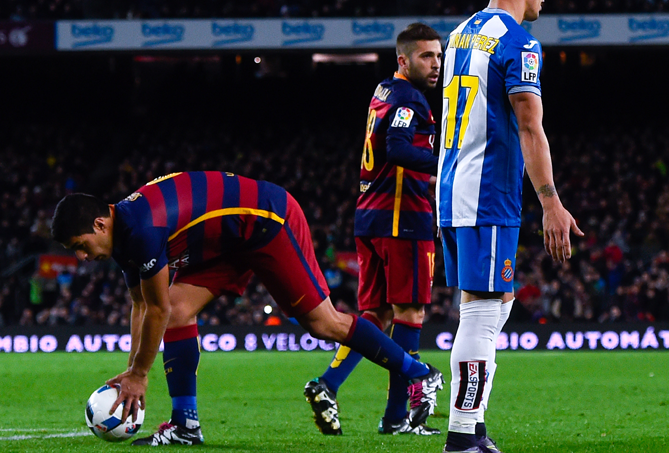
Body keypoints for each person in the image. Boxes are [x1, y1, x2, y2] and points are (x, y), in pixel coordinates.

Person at [51, 173, 443, 446]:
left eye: (80, 246)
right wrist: (133, 368)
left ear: (100, 224)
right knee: (179, 309)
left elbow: (154, 310)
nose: (83, 258)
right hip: (231, 236)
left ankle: (420, 374)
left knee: (323, 323)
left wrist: (139, 374)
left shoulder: (141, 231)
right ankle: (186, 424)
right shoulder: (123, 234)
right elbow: (141, 304)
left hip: (267, 219)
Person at [437, 0, 582, 453]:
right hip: (488, 193)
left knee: (491, 303)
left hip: (452, 191)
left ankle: (471, 427)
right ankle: (462, 434)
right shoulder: (517, 42)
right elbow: (529, 127)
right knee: (481, 309)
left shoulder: (459, 34)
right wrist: (550, 202)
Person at [305, 23, 445, 436]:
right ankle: (398, 416)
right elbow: (399, 148)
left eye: (438, 55)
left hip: (370, 213)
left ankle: (327, 384)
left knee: (377, 314)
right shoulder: (409, 99)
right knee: (410, 313)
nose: (435, 64)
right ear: (403, 59)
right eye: (426, 56)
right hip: (402, 217)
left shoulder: (383, 90)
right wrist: (447, 164)